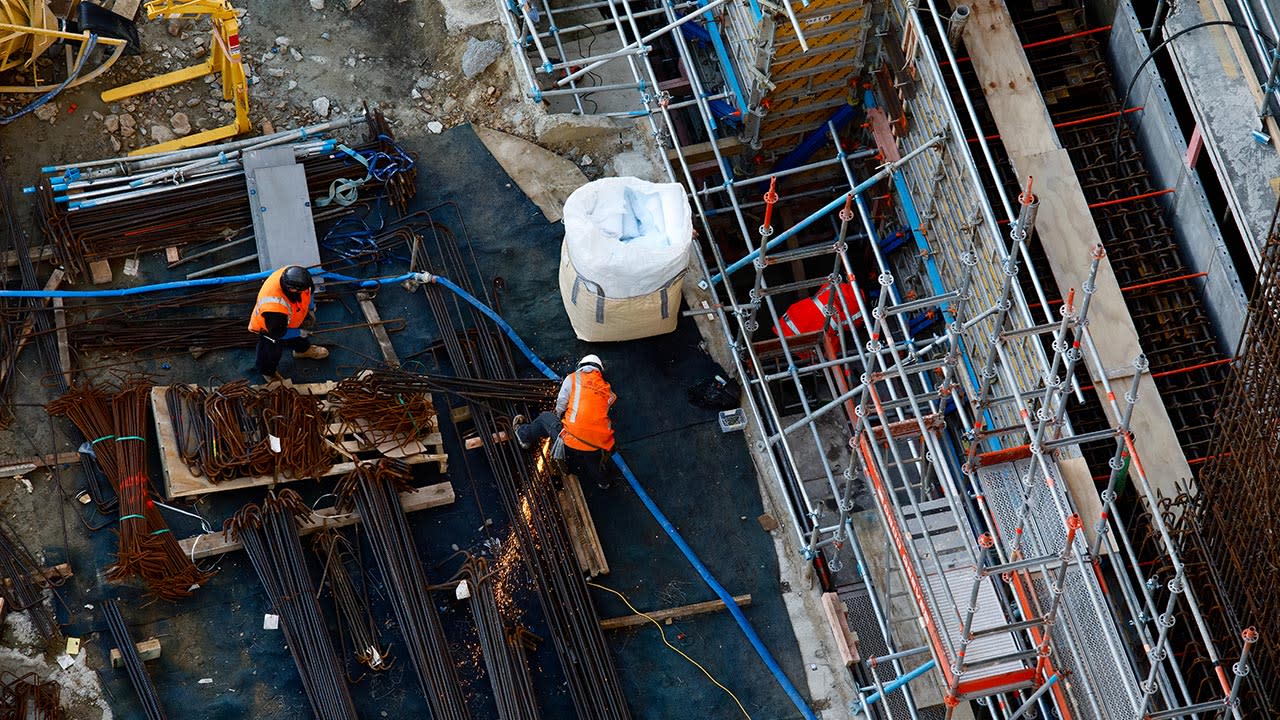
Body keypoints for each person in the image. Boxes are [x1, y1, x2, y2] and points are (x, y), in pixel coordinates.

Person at [512, 354, 616, 488]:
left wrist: (560, 415)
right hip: (598, 443)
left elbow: (561, 403)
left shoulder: (573, 378)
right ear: (599, 370)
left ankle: (523, 435)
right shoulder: (607, 389)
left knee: (545, 418)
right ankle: (604, 483)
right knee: (593, 459)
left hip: (571, 440)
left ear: (581, 367)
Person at [248, 265, 329, 381]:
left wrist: (310, 309)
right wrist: (299, 332)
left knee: (299, 339)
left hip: (293, 317)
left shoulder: (300, 278)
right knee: (270, 351)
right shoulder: (274, 307)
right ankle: (268, 372)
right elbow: (279, 333)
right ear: (292, 289)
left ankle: (302, 351)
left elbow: (309, 292)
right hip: (269, 328)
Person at [776, 281, 864, 337]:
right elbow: (852, 328)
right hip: (806, 342)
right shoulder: (858, 313)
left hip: (785, 323)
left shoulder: (835, 285)